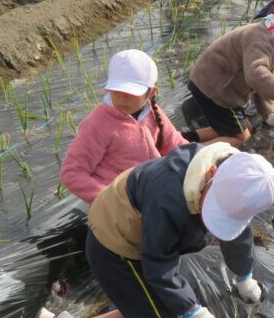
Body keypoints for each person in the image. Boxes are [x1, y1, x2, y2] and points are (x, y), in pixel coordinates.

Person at [23, 145, 274, 318]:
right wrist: (194, 312)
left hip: (141, 239)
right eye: (213, 207)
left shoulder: (231, 178)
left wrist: (244, 275)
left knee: (157, 308)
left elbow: (238, 232)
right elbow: (158, 263)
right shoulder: (169, 197)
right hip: (116, 245)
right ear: (211, 175)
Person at [182, 0, 274, 147]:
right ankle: (186, 154)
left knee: (240, 128)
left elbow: (262, 85)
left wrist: (269, 114)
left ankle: (181, 140)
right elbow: (256, 75)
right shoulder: (259, 38)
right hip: (216, 91)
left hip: (223, 88)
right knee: (242, 138)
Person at [60, 50, 187, 204]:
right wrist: (112, 200)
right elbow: (72, 173)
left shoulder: (153, 112)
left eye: (130, 93)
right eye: (117, 92)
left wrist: (198, 162)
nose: (122, 99)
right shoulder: (98, 124)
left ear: (151, 93)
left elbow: (176, 145)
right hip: (122, 204)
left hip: (152, 190)